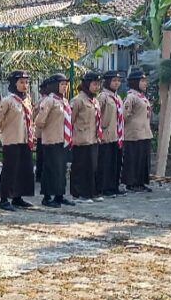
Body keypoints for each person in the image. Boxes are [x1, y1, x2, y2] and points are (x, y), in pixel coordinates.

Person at [0, 70, 35, 211]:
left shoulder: (26, 100)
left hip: (24, 139)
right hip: (12, 139)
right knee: (10, 169)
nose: (25, 86)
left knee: (23, 169)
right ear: (14, 83)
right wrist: (4, 130)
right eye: (21, 82)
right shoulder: (7, 101)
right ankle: (4, 198)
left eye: (26, 83)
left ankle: (18, 197)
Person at [35, 73, 75, 208]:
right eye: (62, 84)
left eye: (65, 84)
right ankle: (47, 197)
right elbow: (40, 121)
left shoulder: (63, 100)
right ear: (54, 86)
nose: (64, 87)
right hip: (52, 139)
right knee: (51, 168)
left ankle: (59, 195)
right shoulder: (49, 100)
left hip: (63, 139)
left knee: (61, 169)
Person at [70, 72, 103, 203]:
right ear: (86, 84)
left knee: (92, 167)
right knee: (80, 167)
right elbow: (70, 120)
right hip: (81, 139)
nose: (97, 87)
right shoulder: (78, 100)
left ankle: (91, 192)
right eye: (94, 84)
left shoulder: (95, 100)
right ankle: (78, 194)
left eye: (98, 84)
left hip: (93, 138)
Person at [122, 70, 153, 193]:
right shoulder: (131, 97)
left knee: (143, 159)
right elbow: (124, 114)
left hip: (144, 133)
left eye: (145, 81)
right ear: (135, 82)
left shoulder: (141, 97)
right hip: (134, 133)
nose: (145, 83)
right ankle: (132, 183)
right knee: (134, 159)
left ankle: (140, 182)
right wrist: (132, 122)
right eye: (142, 81)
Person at [97, 71, 127, 197]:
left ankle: (114, 186)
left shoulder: (118, 98)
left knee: (116, 162)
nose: (116, 83)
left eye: (118, 81)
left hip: (117, 134)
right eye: (114, 80)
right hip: (106, 134)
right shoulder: (103, 97)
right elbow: (97, 115)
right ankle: (105, 187)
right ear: (107, 82)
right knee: (106, 162)